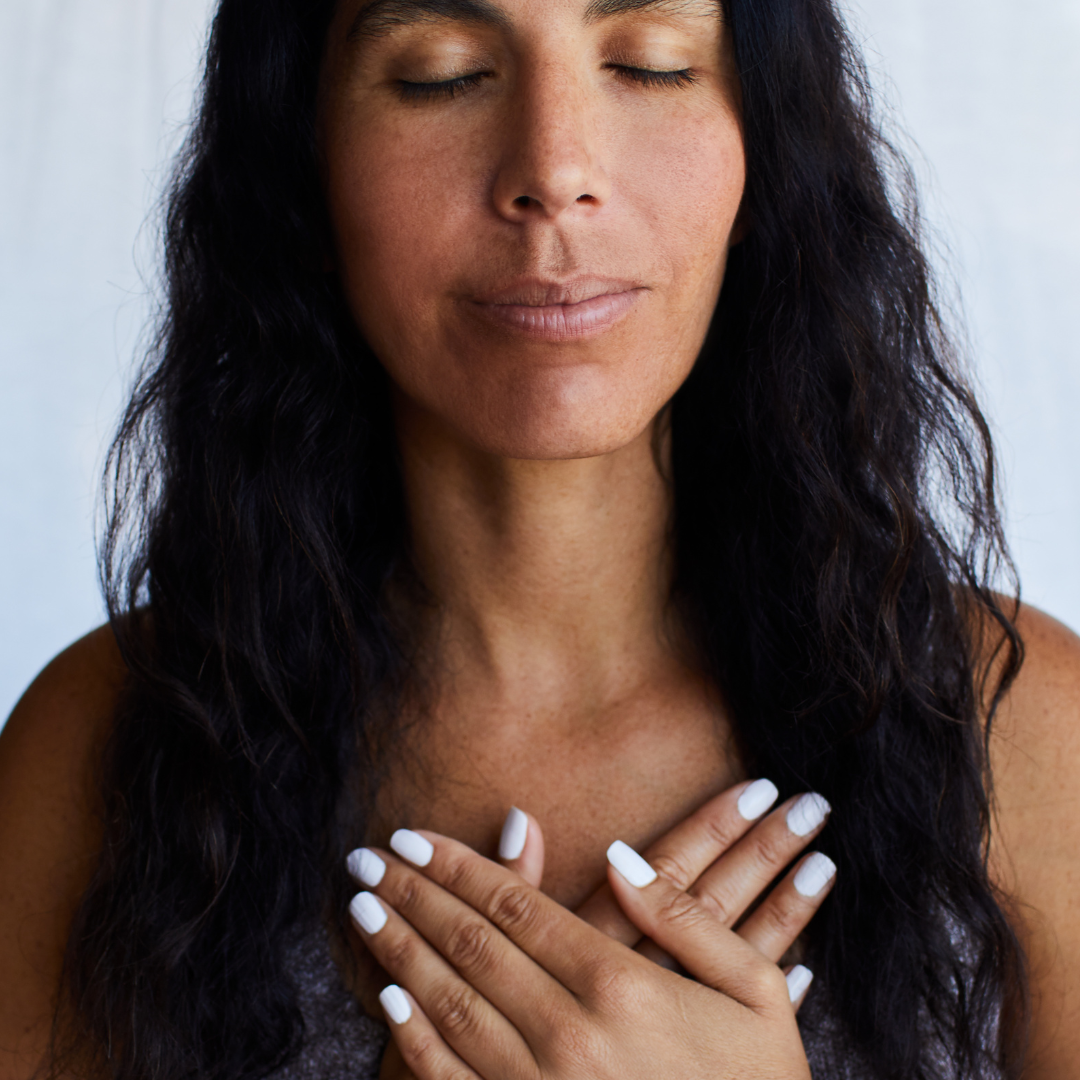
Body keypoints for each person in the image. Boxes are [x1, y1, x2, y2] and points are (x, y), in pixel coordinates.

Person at [1, 0, 1078, 1076]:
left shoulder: (1025, 737)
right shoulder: (99, 754)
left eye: (651, 66)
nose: (554, 171)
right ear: (303, 170)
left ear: (768, 154)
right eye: (441, 72)